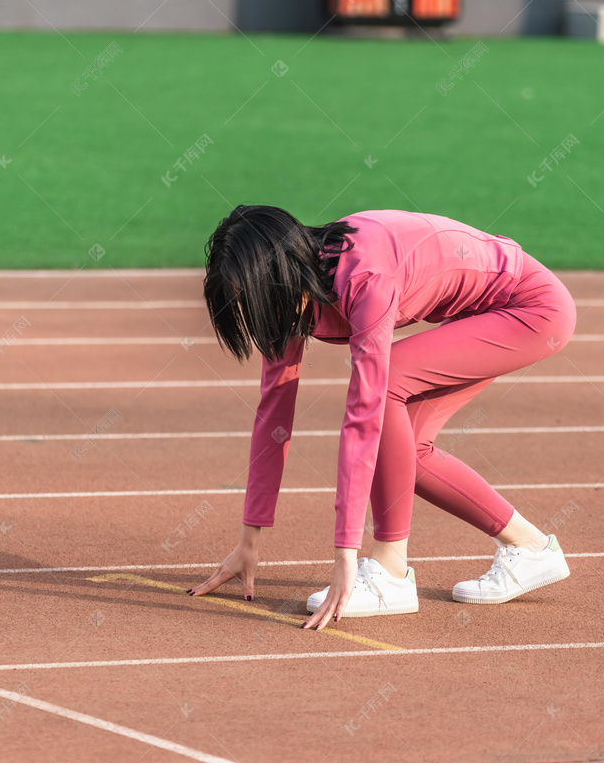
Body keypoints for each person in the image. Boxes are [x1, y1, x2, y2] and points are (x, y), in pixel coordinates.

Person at [188, 206, 576, 630]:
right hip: (480, 312)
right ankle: (532, 548)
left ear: (279, 276)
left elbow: (364, 416)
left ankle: (391, 573)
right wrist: (250, 538)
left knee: (386, 385)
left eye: (251, 298)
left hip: (531, 309)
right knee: (405, 448)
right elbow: (274, 409)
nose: (250, 312)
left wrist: (345, 556)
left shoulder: (365, 278)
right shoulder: (293, 293)